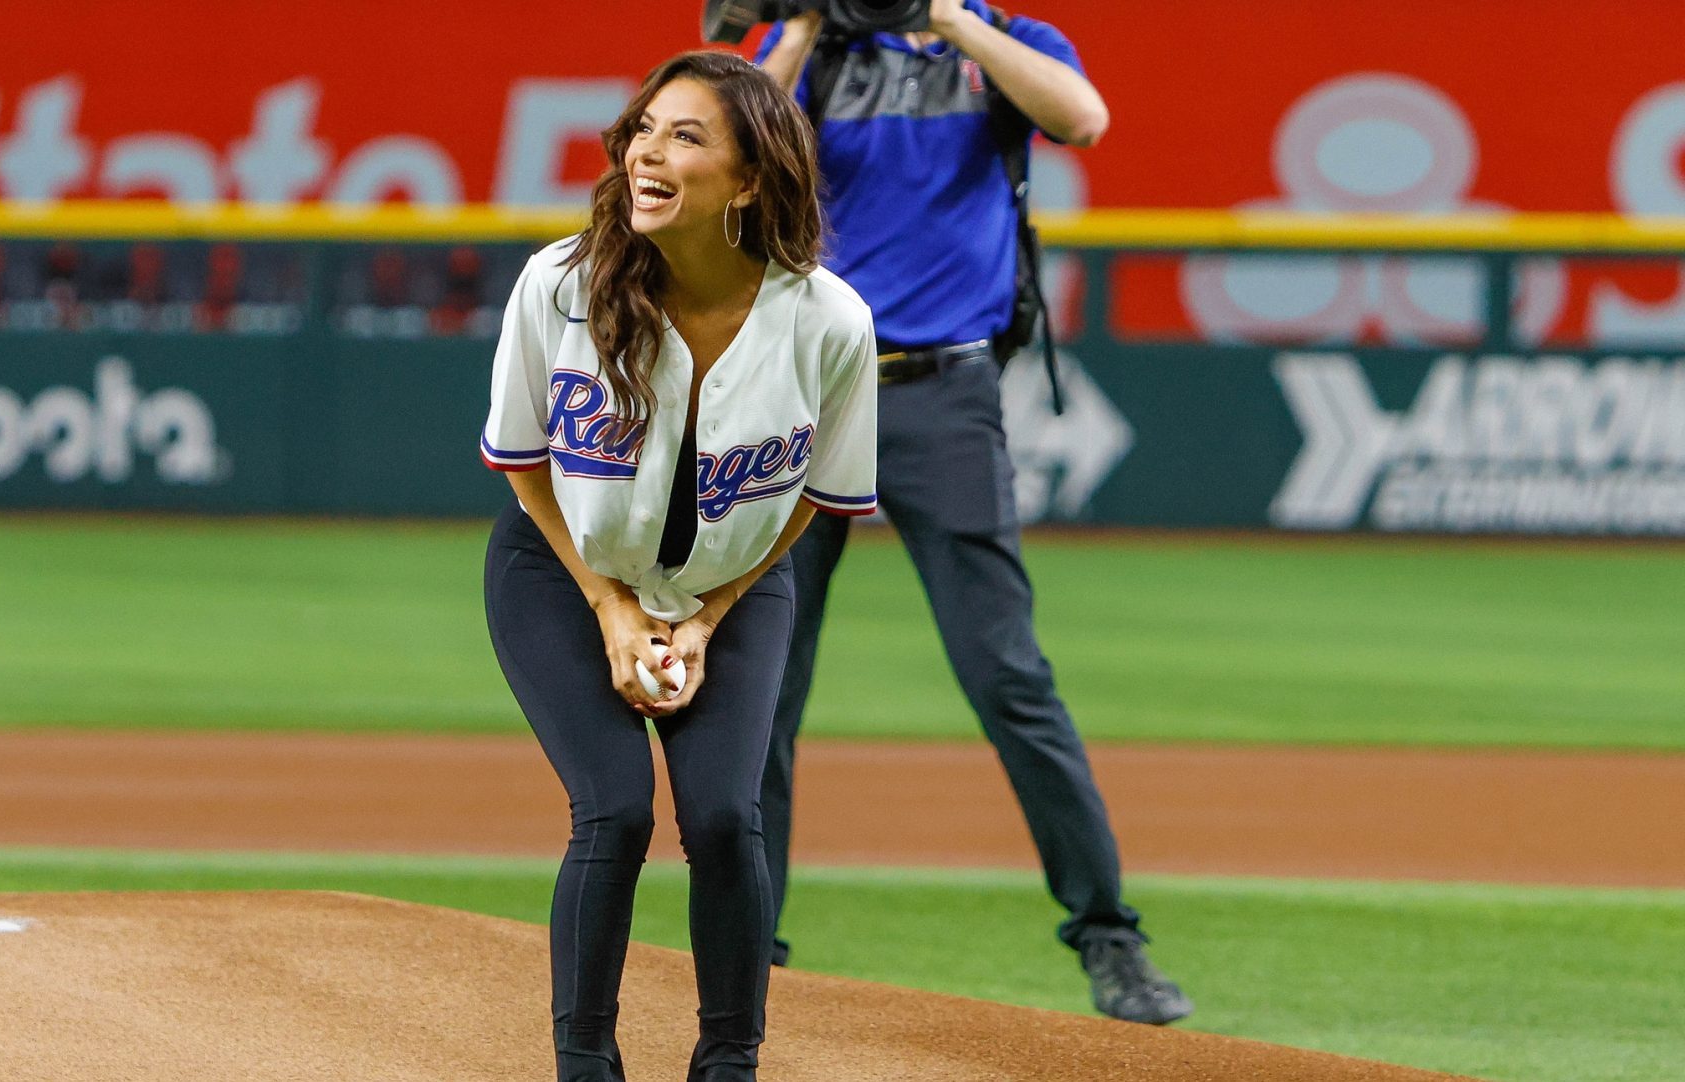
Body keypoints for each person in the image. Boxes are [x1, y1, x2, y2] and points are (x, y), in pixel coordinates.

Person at [753, 0, 1194, 1025]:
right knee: (763, 686)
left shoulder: (1007, 43)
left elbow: (1082, 120)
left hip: (940, 394)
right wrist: (811, 24)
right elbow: (734, 140)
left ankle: (1109, 934)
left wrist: (948, 18)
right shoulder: (809, 49)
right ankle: (746, 950)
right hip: (798, 390)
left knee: (1006, 672)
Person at [478, 50, 878, 1082]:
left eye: (686, 135)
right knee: (613, 805)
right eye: (645, 128)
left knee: (720, 813)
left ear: (750, 179)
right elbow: (524, 469)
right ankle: (585, 1062)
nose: (649, 151)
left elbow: (818, 504)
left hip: (738, 587)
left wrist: (707, 616)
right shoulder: (559, 284)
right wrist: (614, 609)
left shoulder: (829, 320)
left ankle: (729, 1062)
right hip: (562, 568)